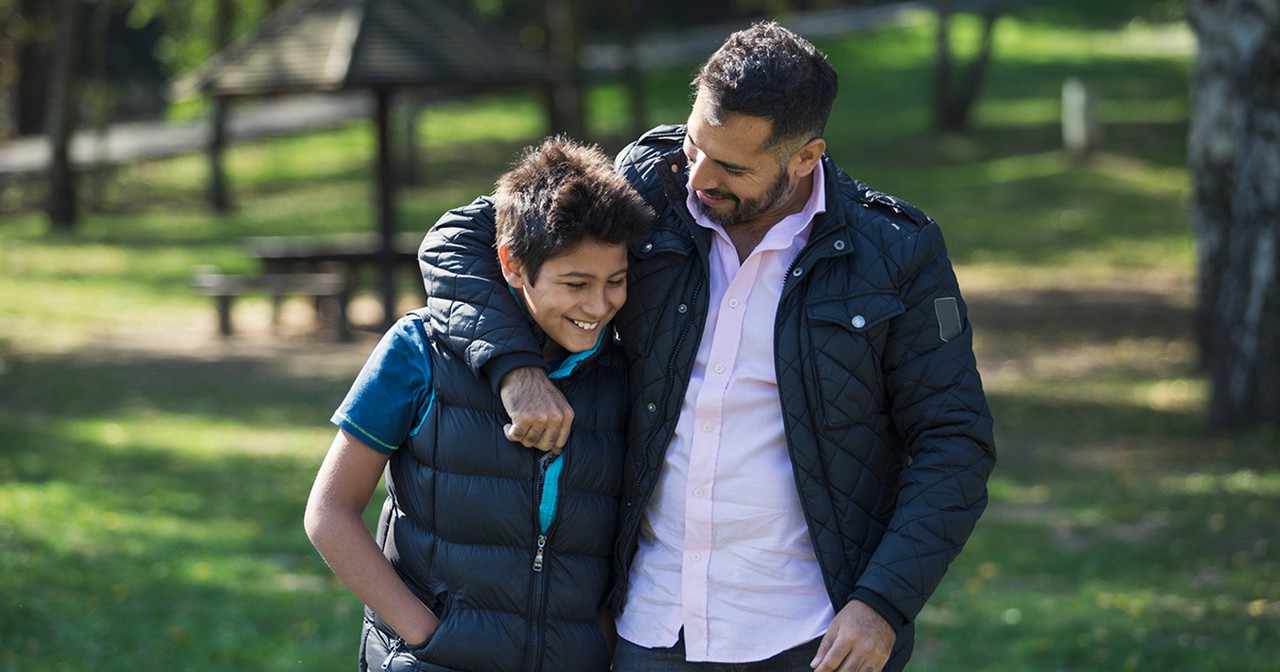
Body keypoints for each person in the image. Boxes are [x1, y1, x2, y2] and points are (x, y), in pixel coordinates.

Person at [418, 21, 996, 672]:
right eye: (696, 145)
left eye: (731, 167)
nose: (697, 177)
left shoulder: (896, 253)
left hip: (815, 636)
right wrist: (514, 370)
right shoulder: (649, 179)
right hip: (649, 624)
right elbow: (458, 239)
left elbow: (954, 442)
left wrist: (884, 602)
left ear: (805, 158)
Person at [304, 136, 654, 672]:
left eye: (617, 281)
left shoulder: (625, 375)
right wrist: (427, 635)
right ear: (512, 264)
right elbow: (329, 513)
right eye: (575, 283)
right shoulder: (419, 349)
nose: (598, 305)